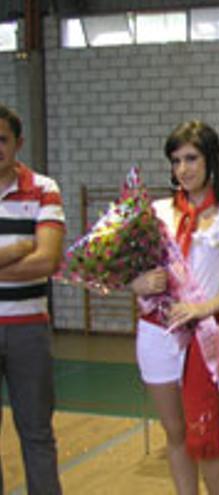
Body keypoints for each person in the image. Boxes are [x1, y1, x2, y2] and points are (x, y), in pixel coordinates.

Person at [131, 120, 219, 495]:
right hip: (156, 333)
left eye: (191, 158)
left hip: (204, 335)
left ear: (211, 160)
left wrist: (205, 308)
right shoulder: (155, 212)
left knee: (204, 435)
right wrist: (137, 283)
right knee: (174, 432)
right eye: (175, 160)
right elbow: (131, 272)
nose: (183, 169)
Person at [0, 104, 64, 494]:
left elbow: (47, 260)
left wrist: (32, 252)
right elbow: (32, 254)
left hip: (28, 331)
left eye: (1, 140)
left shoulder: (44, 188)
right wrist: (16, 249)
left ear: (18, 143)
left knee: (37, 432)